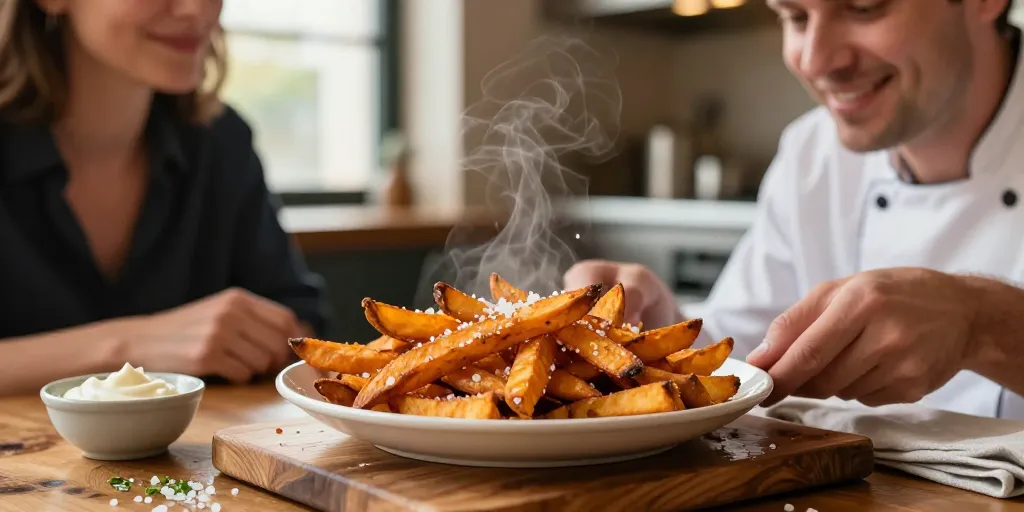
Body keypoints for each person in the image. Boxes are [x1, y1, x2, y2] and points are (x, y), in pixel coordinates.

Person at [565, 0, 1024, 419]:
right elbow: (748, 352)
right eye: (796, 17)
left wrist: (982, 323)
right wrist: (659, 333)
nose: (816, 60)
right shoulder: (811, 151)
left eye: (864, 8)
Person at [0, 0, 329, 396]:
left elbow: (303, 331)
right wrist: (130, 345)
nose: (196, 9)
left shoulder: (221, 144)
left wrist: (259, 336)